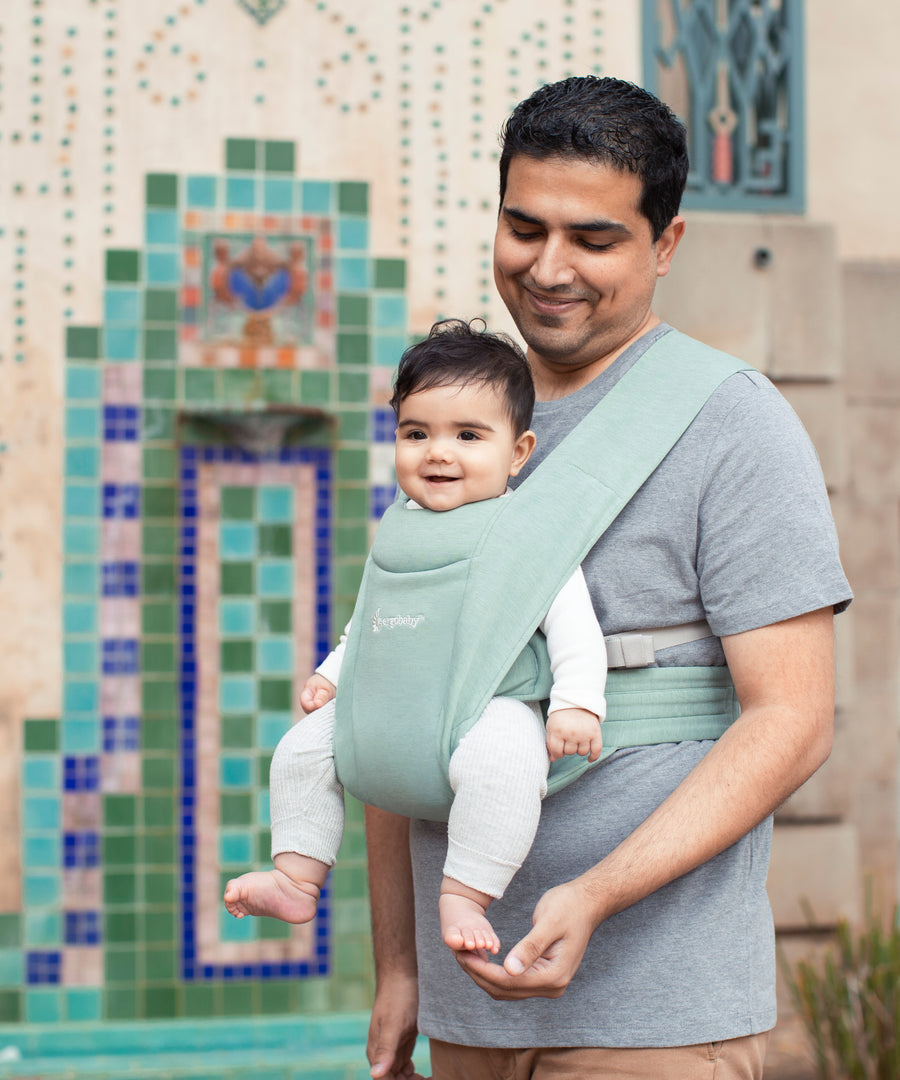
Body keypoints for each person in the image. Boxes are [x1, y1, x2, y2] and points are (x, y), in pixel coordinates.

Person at [365, 76, 852, 1080]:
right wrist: (399, 965)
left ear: (664, 245)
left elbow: (793, 721)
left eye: (594, 238)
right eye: (523, 226)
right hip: (465, 1008)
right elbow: (401, 695)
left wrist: (596, 892)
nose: (549, 268)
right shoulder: (454, 423)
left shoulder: (733, 425)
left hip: (656, 1015)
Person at [224, 319, 608, 956]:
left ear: (518, 451)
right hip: (391, 708)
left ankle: (465, 891)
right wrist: (333, 673)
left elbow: (573, 622)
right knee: (300, 751)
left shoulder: (523, 531)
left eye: (467, 435)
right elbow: (373, 619)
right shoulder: (397, 528)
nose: (438, 452)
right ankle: (297, 877)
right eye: (416, 433)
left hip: (487, 707)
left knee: (508, 765)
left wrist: (577, 702)